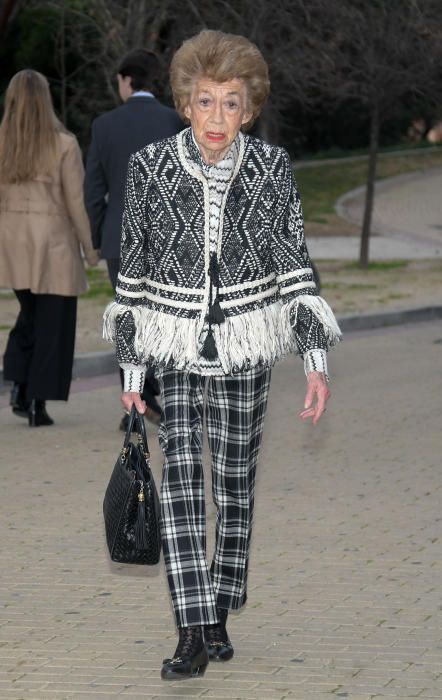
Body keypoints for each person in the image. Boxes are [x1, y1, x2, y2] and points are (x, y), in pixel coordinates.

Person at [103, 30, 341, 681]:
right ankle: (193, 628)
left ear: (249, 107)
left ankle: (221, 603)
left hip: (246, 348)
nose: (216, 119)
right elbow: (135, 276)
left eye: (230, 104)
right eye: (204, 101)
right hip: (175, 349)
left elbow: (293, 267)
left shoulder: (271, 169)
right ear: (184, 101)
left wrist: (315, 361)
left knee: (232, 489)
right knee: (182, 480)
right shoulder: (150, 167)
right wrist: (131, 369)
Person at [84, 48, 184, 430]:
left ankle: (137, 401)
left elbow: (94, 190)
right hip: (169, 239)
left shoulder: (103, 126)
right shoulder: (175, 122)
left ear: (127, 80)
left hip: (119, 241)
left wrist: (95, 237)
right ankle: (167, 398)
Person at [0, 69, 99, 427]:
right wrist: (90, 249)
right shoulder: (63, 144)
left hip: (12, 242)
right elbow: (76, 203)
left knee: (29, 315)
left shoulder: (2, 142)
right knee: (53, 323)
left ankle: (19, 384)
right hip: (52, 242)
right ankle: (35, 400)